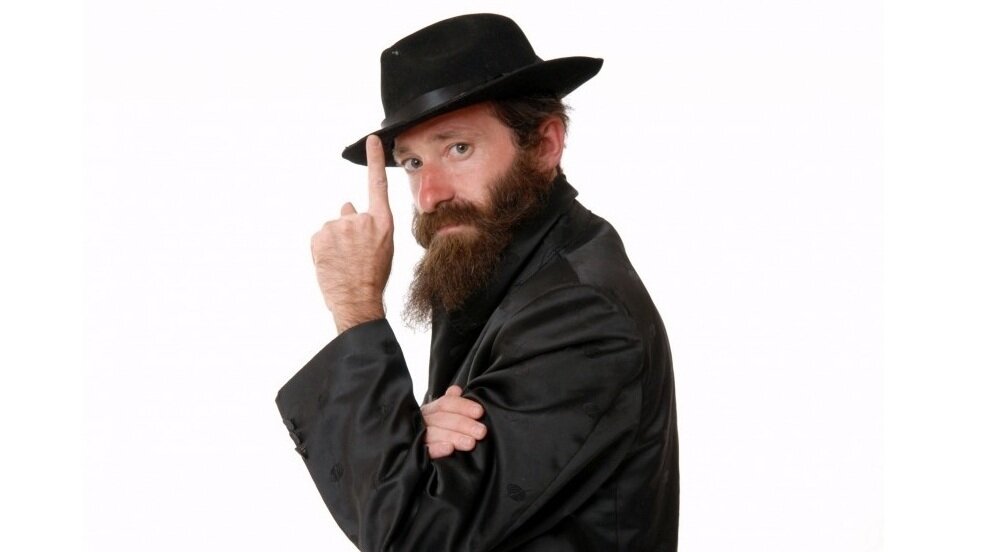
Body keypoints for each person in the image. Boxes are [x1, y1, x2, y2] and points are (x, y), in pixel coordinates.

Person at [276, 13, 679, 551]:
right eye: (413, 162)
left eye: (458, 148)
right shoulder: (496, 263)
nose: (429, 195)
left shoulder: (582, 313)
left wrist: (356, 307)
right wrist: (411, 437)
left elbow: (412, 536)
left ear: (544, 144)